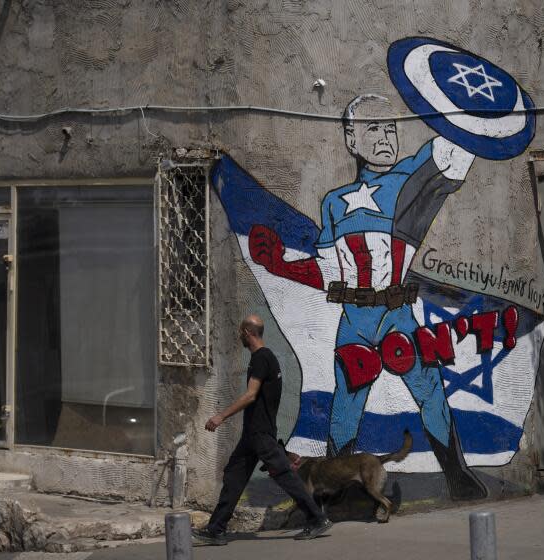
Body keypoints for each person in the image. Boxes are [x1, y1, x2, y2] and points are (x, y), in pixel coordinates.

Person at [248, 94, 487, 500]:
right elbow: (329, 270)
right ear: (350, 138)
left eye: (391, 127)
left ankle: (457, 476)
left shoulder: (411, 178)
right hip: (354, 317)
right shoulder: (333, 203)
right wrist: (281, 265)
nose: (386, 137)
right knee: (345, 407)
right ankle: (337, 491)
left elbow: (453, 152)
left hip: (398, 315)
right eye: (374, 128)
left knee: (429, 390)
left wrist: (473, 103)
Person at [192, 315, 332, 545]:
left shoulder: (261, 359)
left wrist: (221, 416)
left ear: (247, 332)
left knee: (285, 475)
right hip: (253, 433)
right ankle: (216, 528)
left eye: (240, 332)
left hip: (259, 432)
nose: (239, 336)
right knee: (234, 475)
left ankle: (317, 518)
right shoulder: (269, 359)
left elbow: (250, 395)